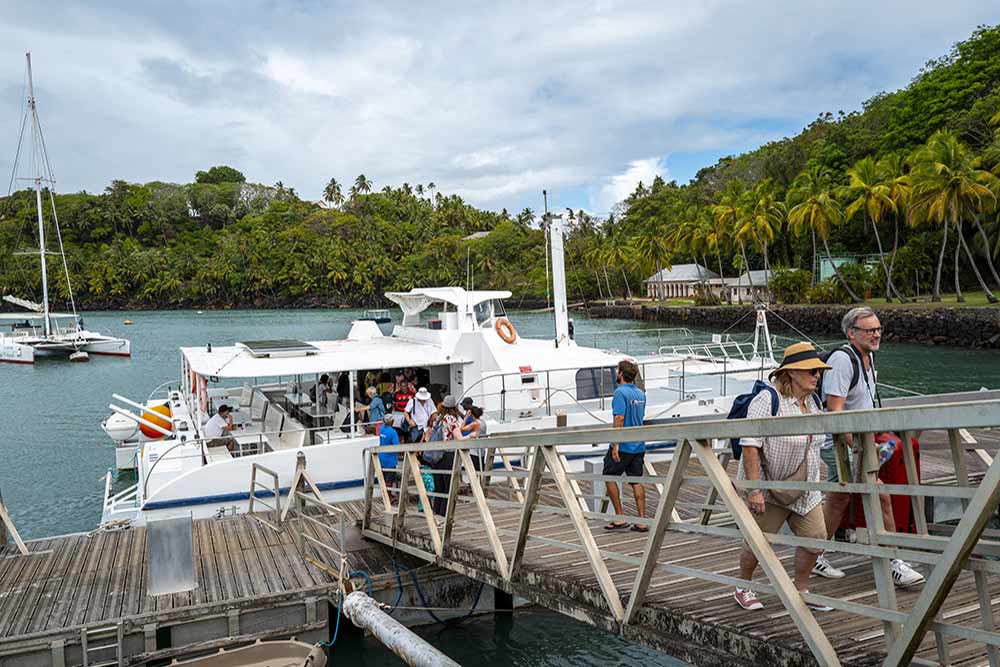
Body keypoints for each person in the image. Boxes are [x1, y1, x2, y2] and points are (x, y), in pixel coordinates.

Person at [812, 307, 925, 586]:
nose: (876, 334)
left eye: (878, 329)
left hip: (859, 441)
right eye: (870, 330)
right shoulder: (842, 361)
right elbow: (835, 411)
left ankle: (814, 554)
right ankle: (893, 562)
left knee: (838, 499)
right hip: (840, 442)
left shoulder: (868, 358)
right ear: (852, 333)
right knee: (880, 494)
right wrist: (859, 449)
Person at [732, 342, 831, 612]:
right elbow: (750, 444)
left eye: (818, 371)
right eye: (811, 370)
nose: (817, 376)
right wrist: (754, 489)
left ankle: (801, 590)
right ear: (792, 372)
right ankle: (743, 586)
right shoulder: (768, 400)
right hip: (770, 486)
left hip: (806, 487)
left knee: (816, 538)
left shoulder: (813, 402)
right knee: (759, 542)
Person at [603, 360, 648, 532]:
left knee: (608, 476)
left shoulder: (620, 393)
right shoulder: (641, 394)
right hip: (639, 444)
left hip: (623, 446)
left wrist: (615, 445)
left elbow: (619, 418)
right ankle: (642, 520)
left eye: (617, 371)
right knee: (636, 480)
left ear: (621, 374)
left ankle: (620, 517)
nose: (616, 373)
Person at [430, 395, 469, 515]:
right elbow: (460, 439)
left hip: (436, 456)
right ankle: (444, 516)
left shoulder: (438, 419)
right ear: (454, 407)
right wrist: (471, 436)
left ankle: (436, 514)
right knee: (448, 487)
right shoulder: (450, 419)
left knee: (439, 487)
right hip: (447, 455)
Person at [377, 412, 401, 500]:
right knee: (389, 480)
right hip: (390, 460)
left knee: (384, 478)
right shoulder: (393, 432)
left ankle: (385, 496)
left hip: (381, 457)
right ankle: (388, 498)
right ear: (392, 422)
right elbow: (396, 446)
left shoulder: (381, 428)